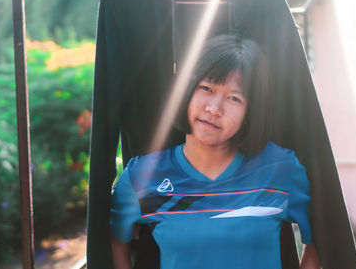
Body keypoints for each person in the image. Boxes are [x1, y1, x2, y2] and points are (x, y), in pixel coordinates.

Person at [109, 35, 321, 269]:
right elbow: (117, 241)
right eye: (206, 88)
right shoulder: (142, 175)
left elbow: (320, 240)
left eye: (234, 98)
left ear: (251, 112)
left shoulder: (281, 169)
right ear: (186, 91)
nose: (214, 108)